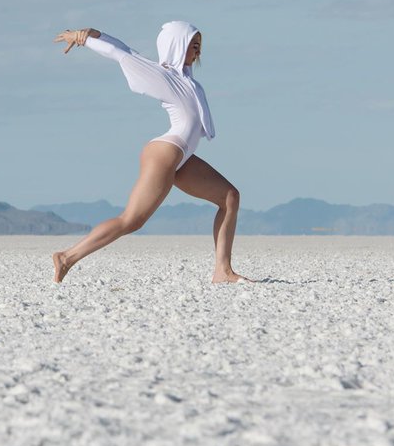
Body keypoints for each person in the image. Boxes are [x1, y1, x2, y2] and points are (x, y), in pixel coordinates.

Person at [50, 22, 250, 284]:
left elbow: (123, 47)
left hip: (182, 156)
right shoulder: (163, 75)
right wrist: (85, 39)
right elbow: (122, 53)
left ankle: (222, 272)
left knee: (229, 197)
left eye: (199, 43)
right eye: (192, 42)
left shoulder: (186, 80)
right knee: (132, 220)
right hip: (166, 152)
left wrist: (95, 31)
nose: (198, 48)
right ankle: (67, 257)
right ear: (176, 45)